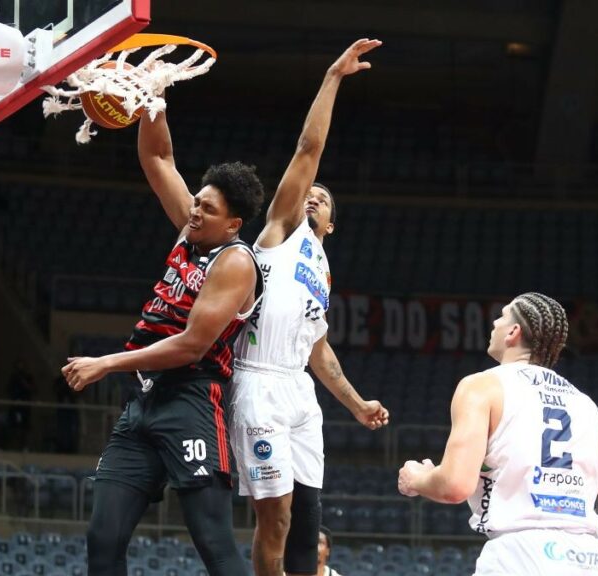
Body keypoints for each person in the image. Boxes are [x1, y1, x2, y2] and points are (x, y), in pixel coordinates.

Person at [217, 39, 386, 576]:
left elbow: (319, 352)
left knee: (308, 516)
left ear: (332, 224)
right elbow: (307, 151)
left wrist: (357, 404)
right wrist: (333, 77)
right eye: (312, 192)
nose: (314, 195)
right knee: (277, 519)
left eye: (325, 199)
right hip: (258, 381)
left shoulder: (321, 270)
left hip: (298, 388)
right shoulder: (282, 231)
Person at [62, 159, 265, 574]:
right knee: (103, 538)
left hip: (193, 401)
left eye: (209, 209)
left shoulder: (235, 262)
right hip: (145, 401)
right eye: (196, 202)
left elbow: (192, 345)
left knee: (215, 544)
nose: (195, 211)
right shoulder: (190, 231)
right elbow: (158, 161)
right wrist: (152, 98)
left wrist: (106, 363)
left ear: (232, 224)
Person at [397, 292, 598, 575]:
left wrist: (417, 478)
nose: (494, 323)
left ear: (513, 332)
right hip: (586, 558)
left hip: (518, 555)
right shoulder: (587, 405)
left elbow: (454, 486)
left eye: (501, 316)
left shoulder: (482, 386)